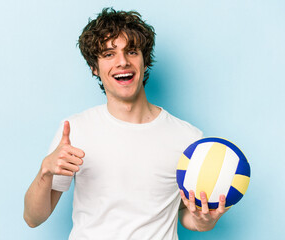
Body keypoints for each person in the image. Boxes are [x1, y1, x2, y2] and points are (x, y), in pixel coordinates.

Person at [24, 8, 227, 239]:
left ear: (144, 60)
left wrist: (204, 222)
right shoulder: (75, 130)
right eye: (109, 54)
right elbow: (33, 218)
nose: (122, 62)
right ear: (94, 67)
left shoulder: (188, 138)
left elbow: (184, 212)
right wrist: (45, 171)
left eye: (131, 52)